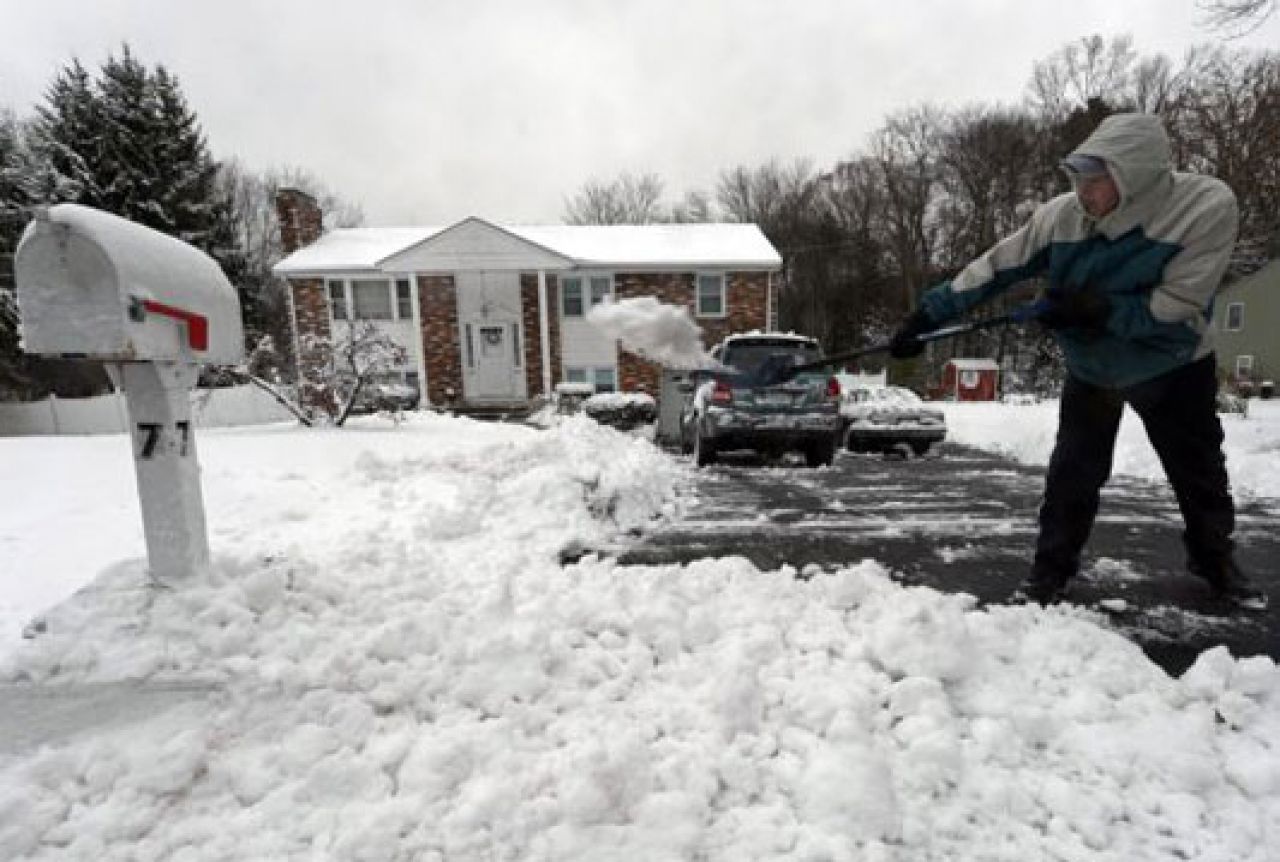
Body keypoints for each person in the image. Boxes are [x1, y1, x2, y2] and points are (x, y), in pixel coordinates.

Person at [888, 112, 1266, 610]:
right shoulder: (1062, 216)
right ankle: (1051, 570)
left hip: (1173, 362)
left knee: (1197, 470)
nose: (1083, 192)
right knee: (1073, 473)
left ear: (1135, 177)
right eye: (1078, 179)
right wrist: (927, 316)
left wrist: (1097, 308)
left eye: (1096, 181)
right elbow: (997, 266)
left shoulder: (1203, 206)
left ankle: (1213, 557)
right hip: (1094, 368)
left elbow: (1182, 301)